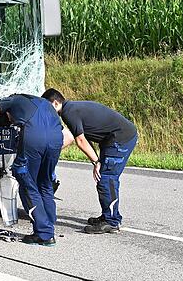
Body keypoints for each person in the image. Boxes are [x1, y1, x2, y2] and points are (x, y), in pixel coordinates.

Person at [42, 88, 138, 234]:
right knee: (104, 177)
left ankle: (111, 222)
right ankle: (108, 215)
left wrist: (96, 162)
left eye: (47, 106)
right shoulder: (72, 108)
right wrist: (97, 160)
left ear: (55, 103)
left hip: (121, 138)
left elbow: (80, 141)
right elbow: (85, 136)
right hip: (111, 139)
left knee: (106, 178)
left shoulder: (69, 113)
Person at [0, 94, 63, 246]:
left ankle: (44, 234)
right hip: (56, 138)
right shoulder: (43, 102)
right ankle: (49, 225)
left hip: (34, 138)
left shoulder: (12, 100)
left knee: (27, 183)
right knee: (45, 183)